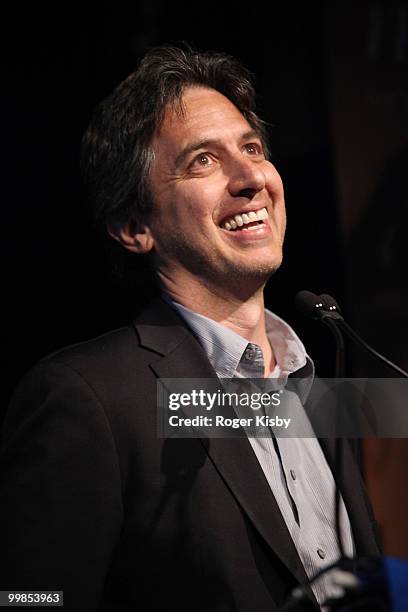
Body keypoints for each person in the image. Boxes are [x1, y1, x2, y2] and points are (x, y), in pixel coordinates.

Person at [0, 46, 380, 611]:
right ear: (134, 227)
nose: (252, 177)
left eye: (252, 148)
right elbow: (30, 599)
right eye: (203, 160)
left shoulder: (323, 378)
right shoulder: (90, 398)